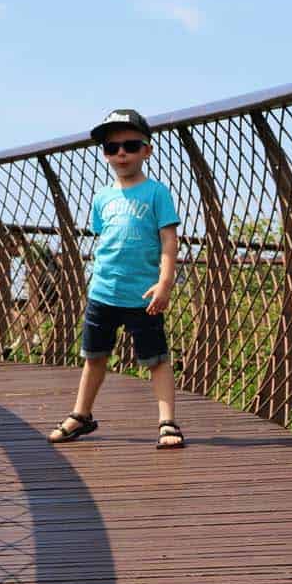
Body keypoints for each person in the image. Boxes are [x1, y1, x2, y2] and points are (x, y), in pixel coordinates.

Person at [48, 109, 184, 450]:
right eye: (112, 148)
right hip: (104, 290)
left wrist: (165, 283)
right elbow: (103, 239)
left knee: (156, 359)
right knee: (94, 356)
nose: (121, 153)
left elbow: (169, 241)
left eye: (130, 145)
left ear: (146, 150)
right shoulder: (102, 197)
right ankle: (82, 415)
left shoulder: (157, 193)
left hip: (143, 293)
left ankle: (167, 421)